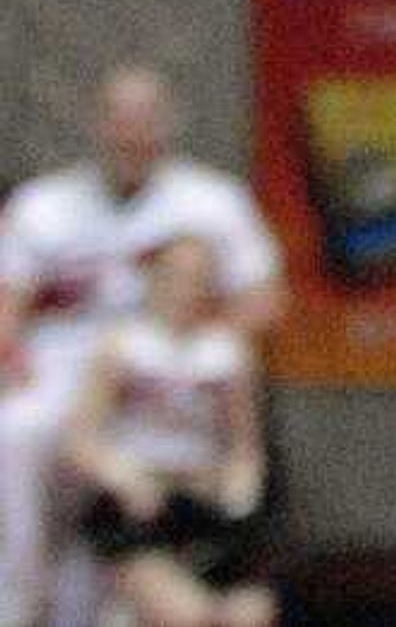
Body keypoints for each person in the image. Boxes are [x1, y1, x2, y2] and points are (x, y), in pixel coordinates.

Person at [0, 67, 283, 627]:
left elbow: (265, 302)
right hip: (70, 367)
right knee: (17, 430)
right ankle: (19, 598)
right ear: (95, 123)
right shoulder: (45, 204)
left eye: (146, 119)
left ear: (172, 123)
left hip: (174, 367)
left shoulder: (212, 201)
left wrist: (193, 338)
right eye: (119, 119)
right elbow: (8, 307)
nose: (132, 134)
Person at [59, 236, 272, 627]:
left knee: (249, 614)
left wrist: (239, 499)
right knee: (187, 615)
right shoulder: (122, 346)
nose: (186, 290)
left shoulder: (228, 353)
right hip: (140, 507)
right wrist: (123, 477)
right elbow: (79, 439)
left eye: (199, 279)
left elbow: (247, 448)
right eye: (175, 277)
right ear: (153, 279)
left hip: (203, 504)